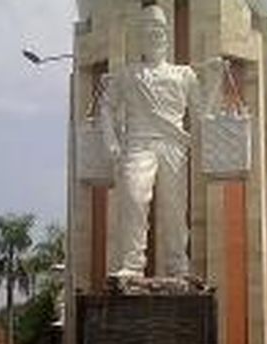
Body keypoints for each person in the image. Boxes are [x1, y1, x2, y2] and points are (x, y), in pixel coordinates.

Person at [100, 5, 220, 278]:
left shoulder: (184, 74)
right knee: (133, 198)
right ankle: (132, 264)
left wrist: (213, 82)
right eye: (148, 31)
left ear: (166, 35)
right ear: (140, 38)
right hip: (137, 143)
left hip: (173, 145)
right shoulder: (127, 74)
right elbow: (106, 106)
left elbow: (202, 117)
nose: (154, 36)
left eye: (158, 31)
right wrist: (110, 139)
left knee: (175, 208)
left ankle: (177, 265)